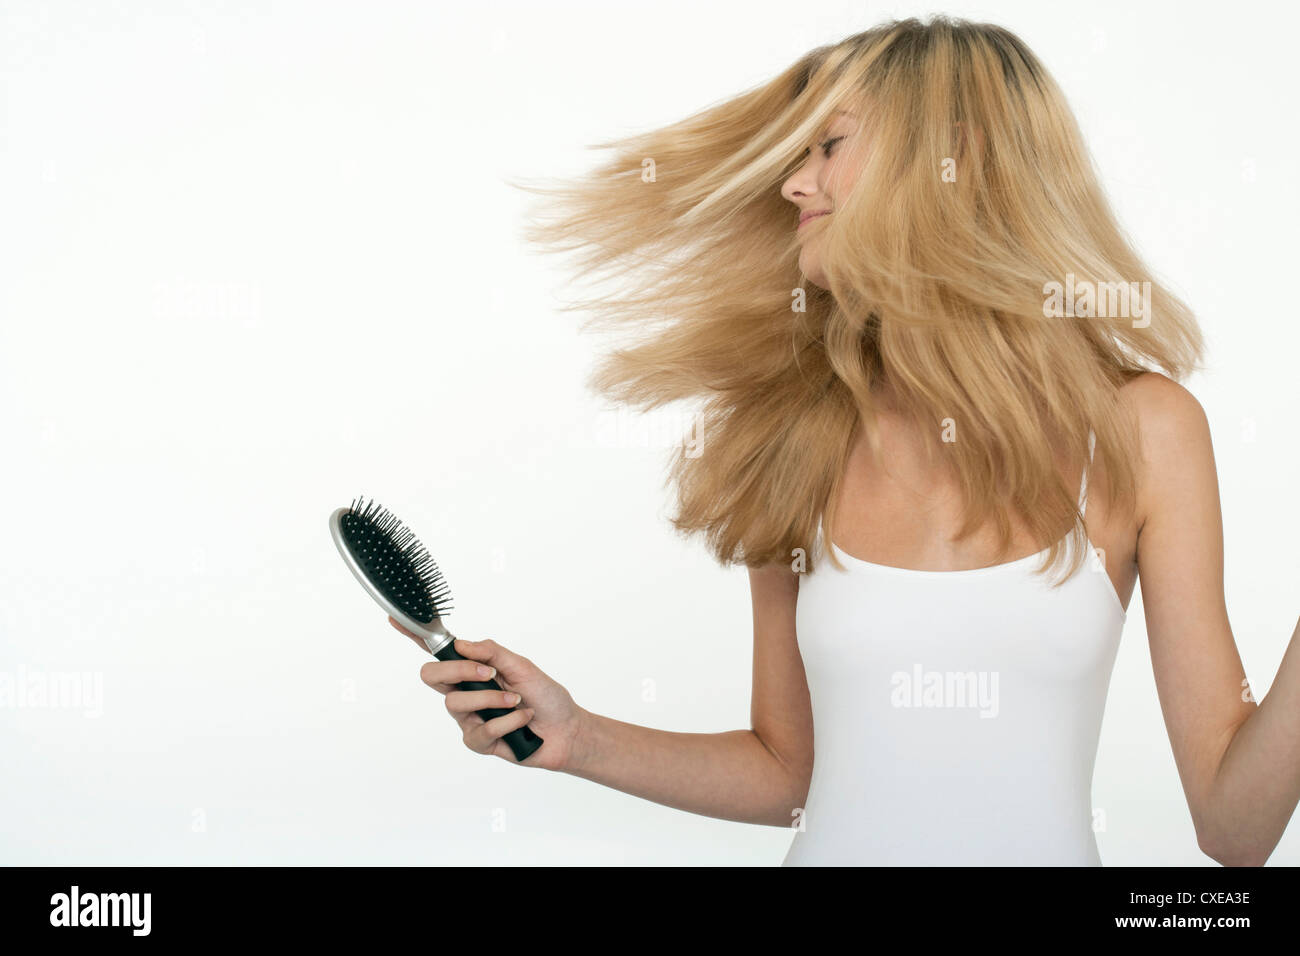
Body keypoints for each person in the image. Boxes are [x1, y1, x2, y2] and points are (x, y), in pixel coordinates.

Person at [392, 16, 1299, 865]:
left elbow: (1235, 825)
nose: (795, 182)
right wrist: (578, 737)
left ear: (954, 157)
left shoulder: (1142, 431)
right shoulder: (793, 434)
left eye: (829, 146)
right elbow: (791, 775)